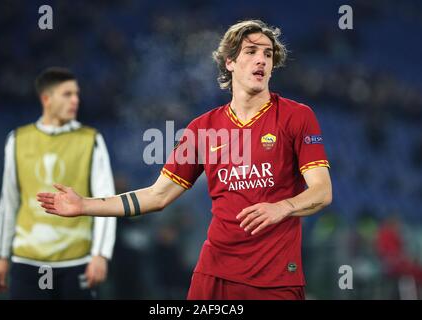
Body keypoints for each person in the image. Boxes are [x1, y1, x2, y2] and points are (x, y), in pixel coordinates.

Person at [37, 20, 332, 300]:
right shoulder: (202, 129)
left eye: (268, 54)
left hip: (276, 279)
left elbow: (322, 192)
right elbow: (157, 195)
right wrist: (85, 205)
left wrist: (282, 207)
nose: (262, 60)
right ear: (229, 62)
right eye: (251, 52)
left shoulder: (296, 117)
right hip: (214, 275)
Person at [0, 67, 117, 299]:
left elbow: (106, 200)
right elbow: (9, 202)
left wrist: (100, 254)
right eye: (67, 94)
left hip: (77, 261)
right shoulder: (17, 140)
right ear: (46, 99)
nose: (75, 100)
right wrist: (1, 255)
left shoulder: (91, 140)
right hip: (26, 261)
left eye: (77, 94)